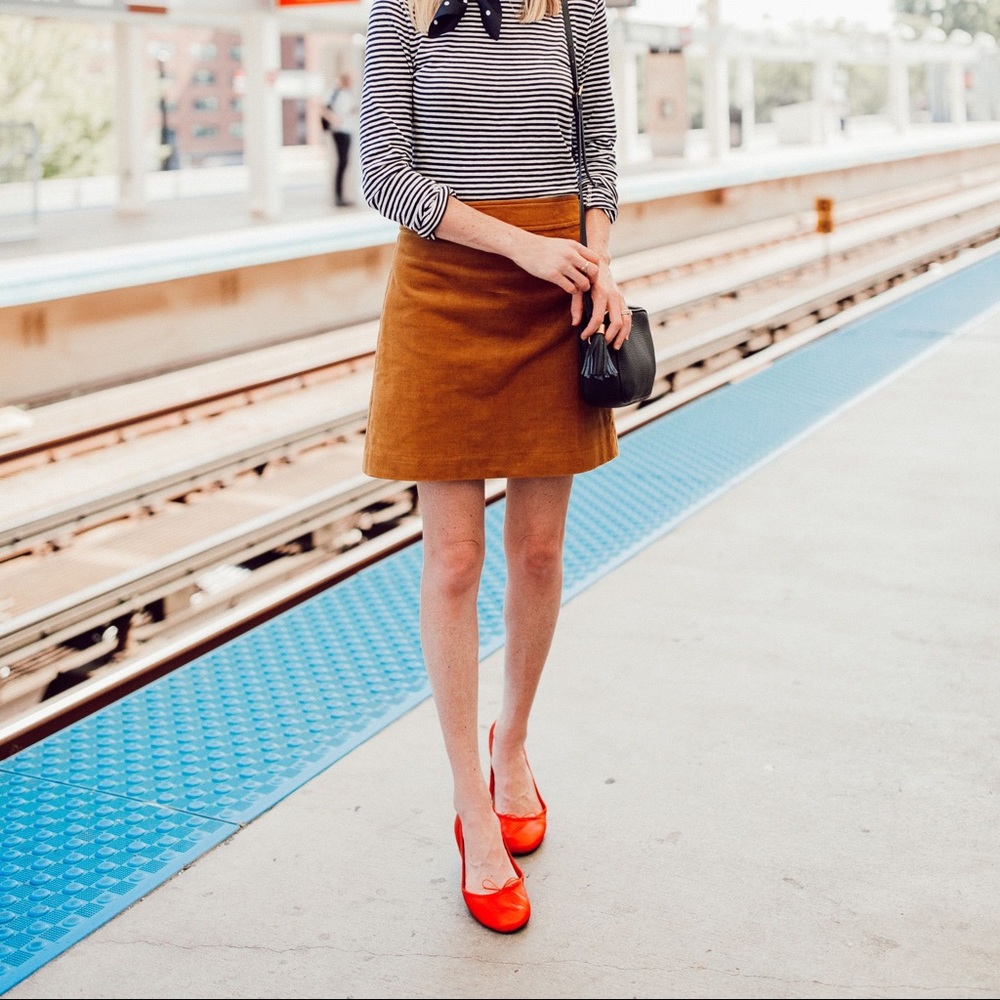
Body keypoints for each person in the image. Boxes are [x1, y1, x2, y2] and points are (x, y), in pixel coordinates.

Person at [358, 0, 631, 934]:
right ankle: (473, 812)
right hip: (449, 285)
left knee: (542, 551)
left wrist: (599, 268)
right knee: (455, 560)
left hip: (559, 288)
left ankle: (510, 746)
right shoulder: (402, 8)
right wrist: (523, 247)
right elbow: (385, 176)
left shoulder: (575, 8)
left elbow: (599, 154)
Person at [321, 71, 357, 207]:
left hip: (348, 130)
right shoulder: (334, 93)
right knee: (342, 163)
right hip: (339, 131)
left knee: (345, 162)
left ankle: (343, 196)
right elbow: (322, 108)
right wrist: (334, 119)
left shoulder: (349, 94)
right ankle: (338, 197)